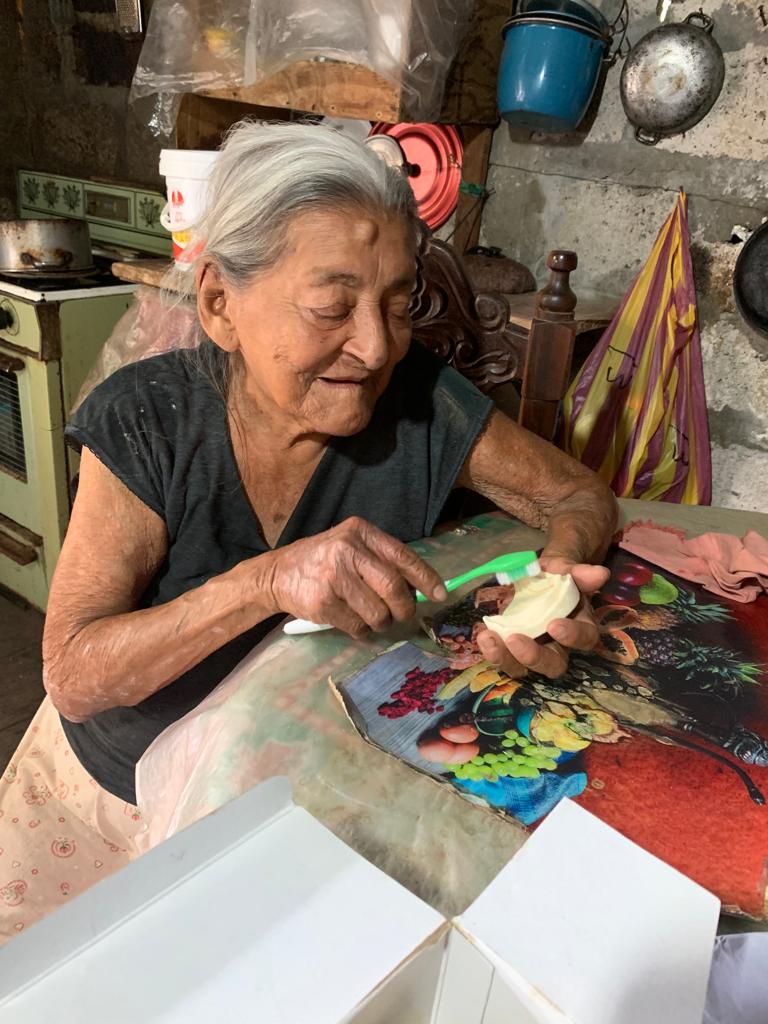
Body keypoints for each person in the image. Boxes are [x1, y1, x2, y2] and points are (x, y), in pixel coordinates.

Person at [0, 121, 616, 941]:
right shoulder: (149, 420)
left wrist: (555, 583)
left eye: (398, 304)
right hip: (116, 794)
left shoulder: (419, 403)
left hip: (309, 790)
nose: (375, 347)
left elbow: (577, 495)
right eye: (332, 307)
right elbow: (74, 675)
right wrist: (263, 582)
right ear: (220, 303)